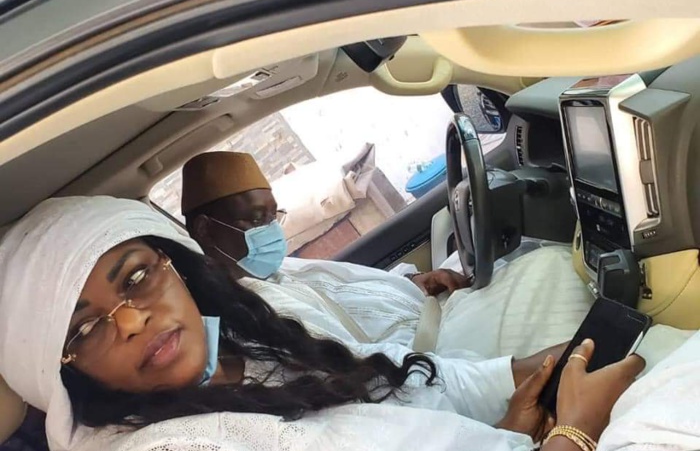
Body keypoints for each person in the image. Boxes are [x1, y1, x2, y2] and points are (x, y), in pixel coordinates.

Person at [0, 196, 651, 451]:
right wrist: (571, 439)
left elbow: (400, 385)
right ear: (61, 370)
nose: (132, 319)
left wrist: (536, 374)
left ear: (174, 265)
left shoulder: (243, 349)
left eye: (138, 276)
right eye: (85, 329)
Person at [181, 152, 594, 359]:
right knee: (551, 265)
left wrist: (412, 282)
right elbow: (361, 364)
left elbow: (345, 292)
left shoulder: (274, 268)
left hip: (429, 308)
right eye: (256, 219)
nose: (271, 230)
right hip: (431, 352)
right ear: (204, 229)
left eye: (274, 216)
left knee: (514, 250)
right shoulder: (248, 313)